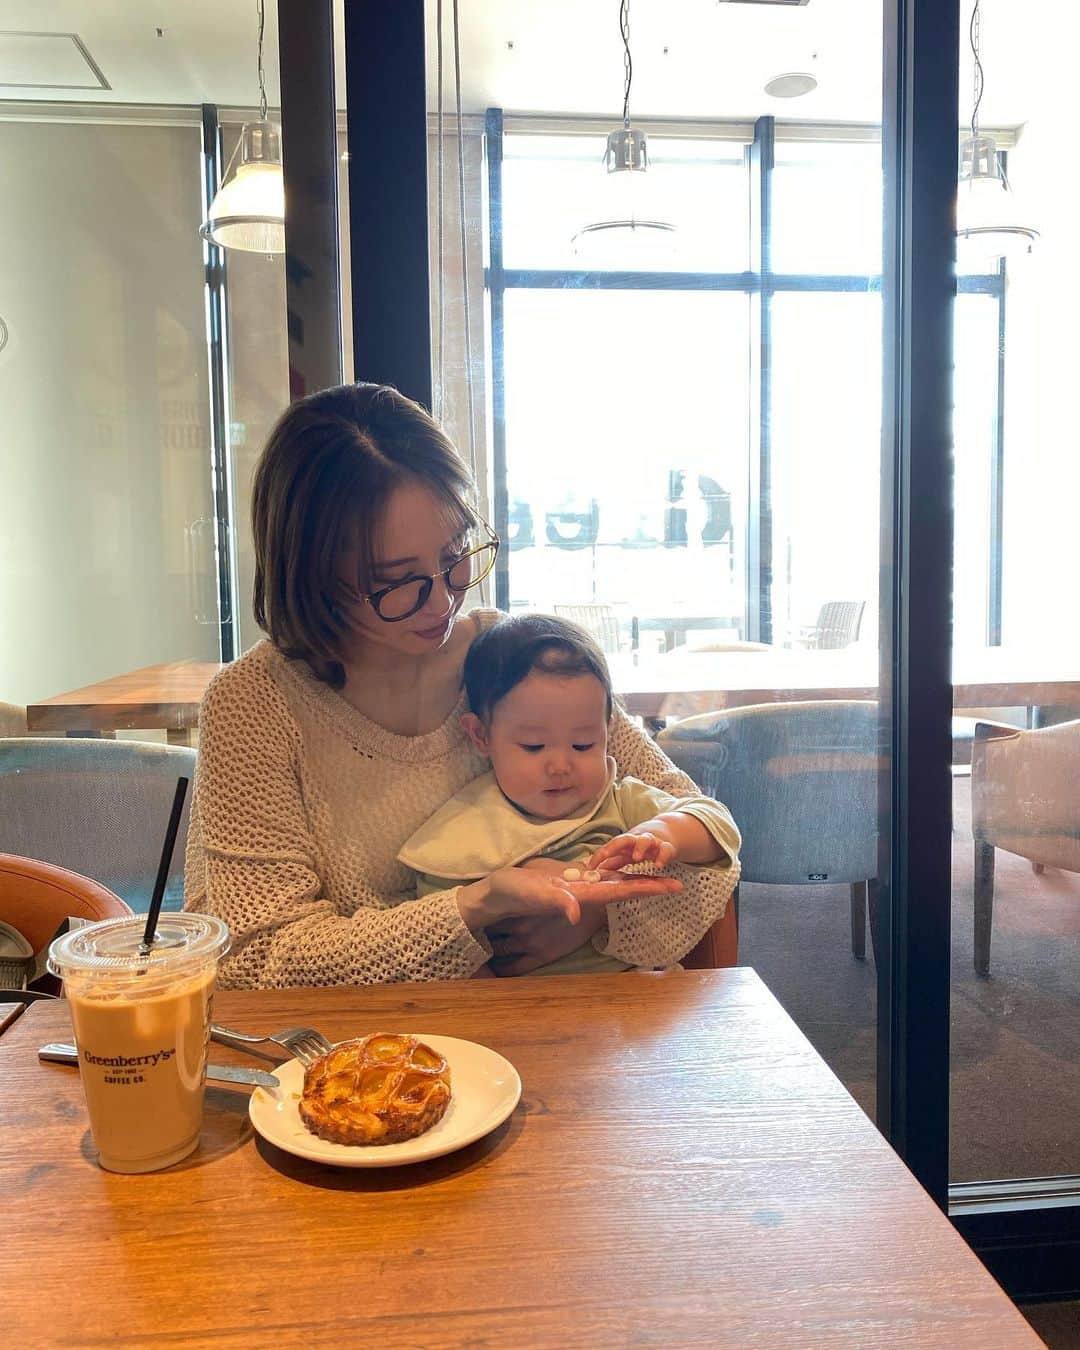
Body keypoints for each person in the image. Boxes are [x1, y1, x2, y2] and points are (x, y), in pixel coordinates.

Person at [184, 382, 734, 988]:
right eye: (398, 582)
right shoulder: (256, 704)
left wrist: (592, 918)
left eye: (455, 557)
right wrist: (475, 909)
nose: (444, 599)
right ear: (313, 576)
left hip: (579, 1030)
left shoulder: (516, 661)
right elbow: (258, 960)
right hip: (366, 1057)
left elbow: (709, 849)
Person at [397, 614, 740, 975]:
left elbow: (717, 826)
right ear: (481, 736)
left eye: (582, 744)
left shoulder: (617, 800)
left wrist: (665, 834)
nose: (560, 765)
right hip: (515, 1010)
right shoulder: (461, 829)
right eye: (533, 746)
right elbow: (442, 942)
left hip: (632, 1000)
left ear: (609, 733)